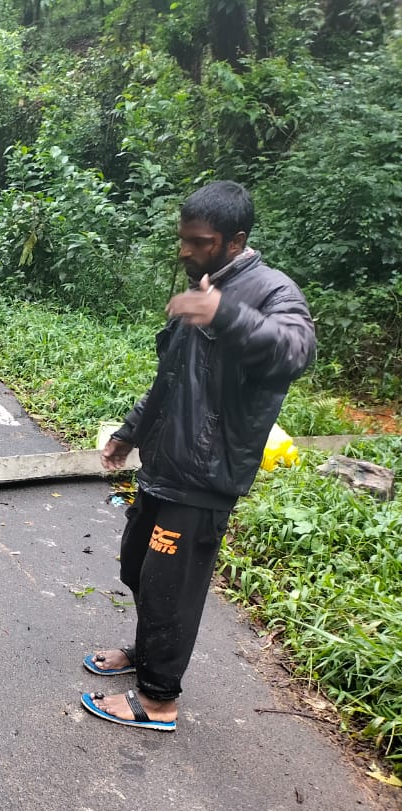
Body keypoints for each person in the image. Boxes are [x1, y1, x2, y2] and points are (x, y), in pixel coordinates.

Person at [82, 180, 316, 732]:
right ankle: (146, 653)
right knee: (139, 568)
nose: (186, 251)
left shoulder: (272, 292)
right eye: (183, 238)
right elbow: (172, 379)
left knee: (171, 585)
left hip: (207, 476)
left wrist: (223, 313)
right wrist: (128, 433)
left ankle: (159, 699)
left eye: (200, 241)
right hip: (164, 466)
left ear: (235, 241)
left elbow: (295, 351)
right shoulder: (203, 286)